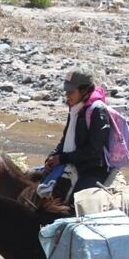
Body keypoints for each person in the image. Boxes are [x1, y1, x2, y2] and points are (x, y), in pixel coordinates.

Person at [41, 68, 111, 199]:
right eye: (66, 91)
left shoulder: (97, 111)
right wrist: (52, 157)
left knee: (74, 202)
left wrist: (62, 158)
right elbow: (65, 140)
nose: (67, 96)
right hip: (73, 163)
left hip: (92, 170)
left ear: (84, 91)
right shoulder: (75, 108)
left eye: (71, 92)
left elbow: (93, 151)